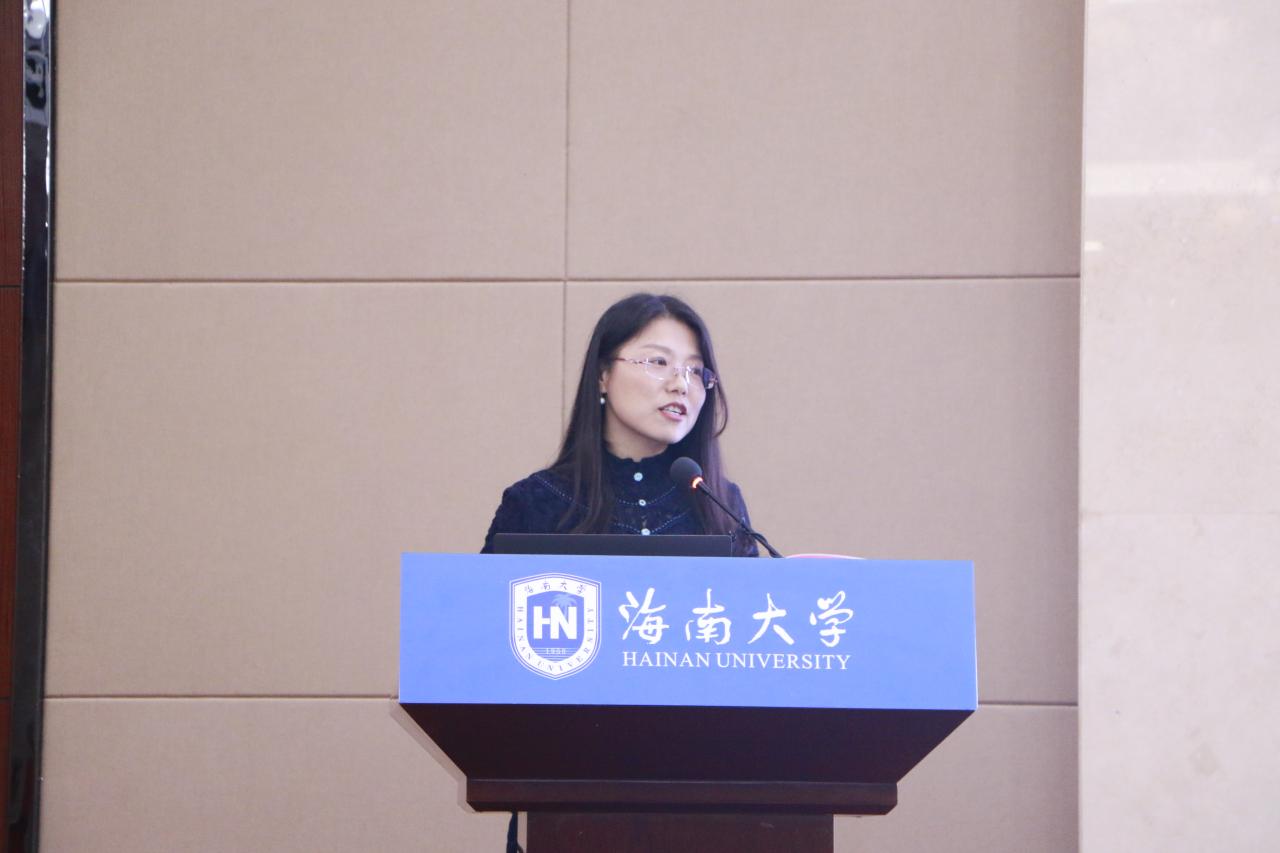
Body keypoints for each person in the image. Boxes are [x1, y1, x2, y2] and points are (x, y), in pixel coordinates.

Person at [482, 292, 759, 557]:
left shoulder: (722, 505)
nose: (681, 385)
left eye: (695, 370)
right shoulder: (535, 500)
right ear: (603, 375)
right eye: (659, 361)